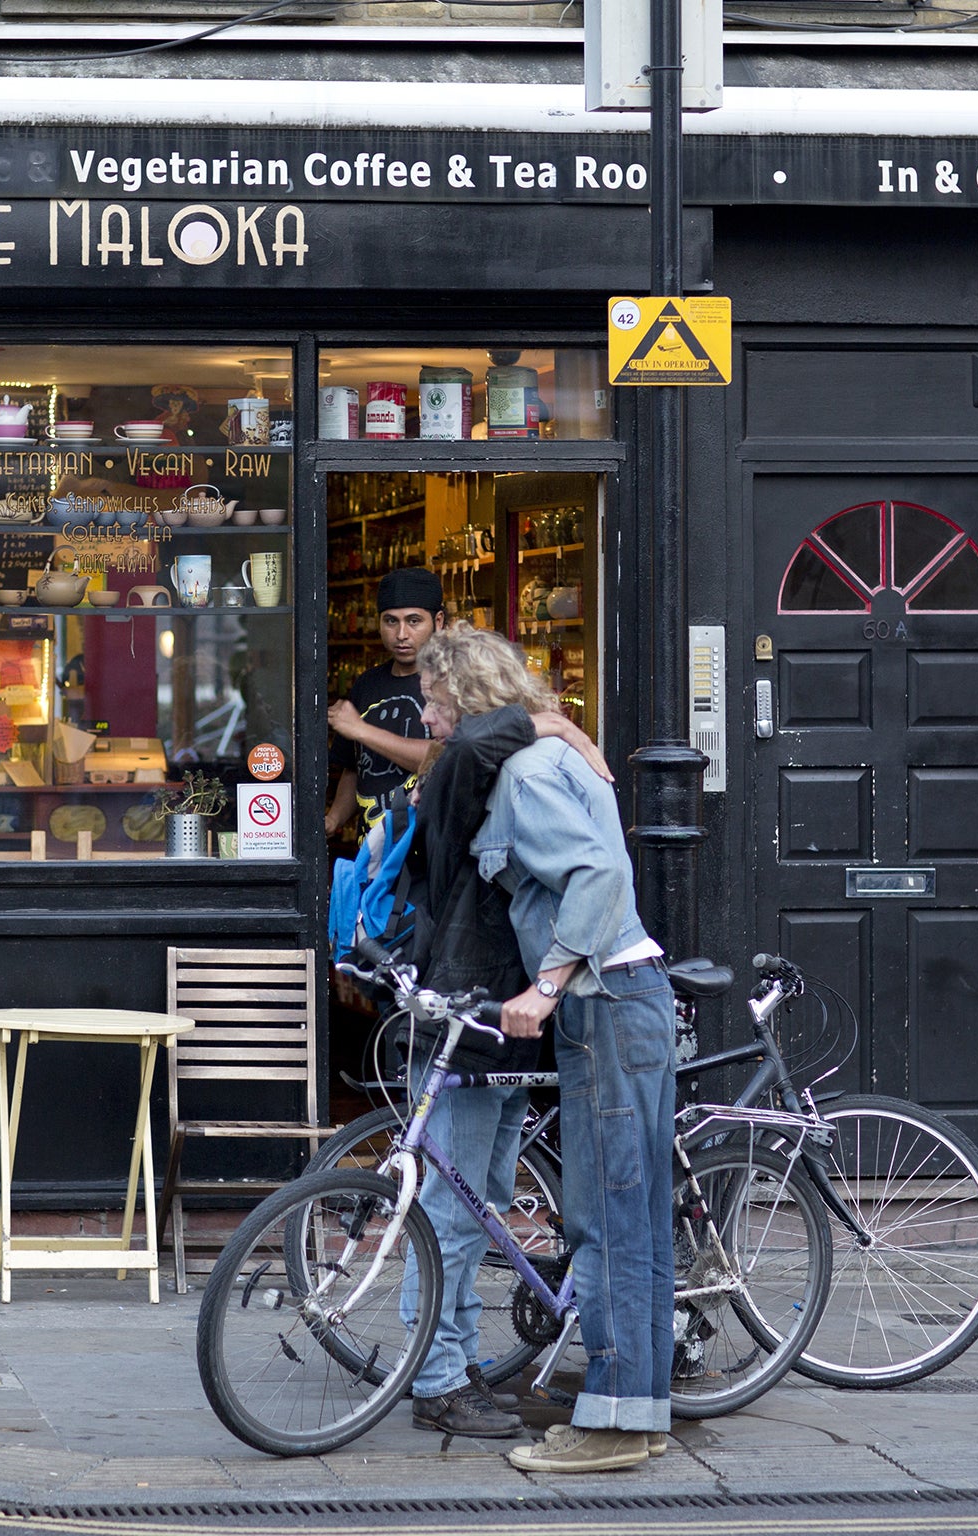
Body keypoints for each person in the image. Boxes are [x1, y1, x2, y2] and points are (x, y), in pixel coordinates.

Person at [426, 625, 676, 1474]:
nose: (430, 719)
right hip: (631, 994)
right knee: (634, 1220)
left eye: (433, 701)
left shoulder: (526, 779)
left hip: (603, 1001)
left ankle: (606, 1431)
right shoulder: (554, 761)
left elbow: (599, 877)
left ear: (463, 701)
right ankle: (634, 1412)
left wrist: (547, 984)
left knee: (604, 1223)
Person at [392, 639, 615, 1438]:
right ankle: (439, 1379)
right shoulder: (461, 760)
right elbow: (489, 737)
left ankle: (452, 1364)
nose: (423, 709)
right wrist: (556, 725)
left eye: (432, 689)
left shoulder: (485, 757)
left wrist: (551, 728)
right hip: (471, 1005)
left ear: (467, 684)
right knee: (457, 1210)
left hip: (504, 1009)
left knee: (481, 1203)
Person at [325, 569, 446, 836]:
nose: (401, 634)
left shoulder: (452, 683)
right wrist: (333, 820)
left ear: (438, 621)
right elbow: (355, 769)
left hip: (426, 859)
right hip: (372, 857)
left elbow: (447, 758)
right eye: (391, 621)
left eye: (414, 621)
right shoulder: (367, 684)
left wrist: (362, 730)